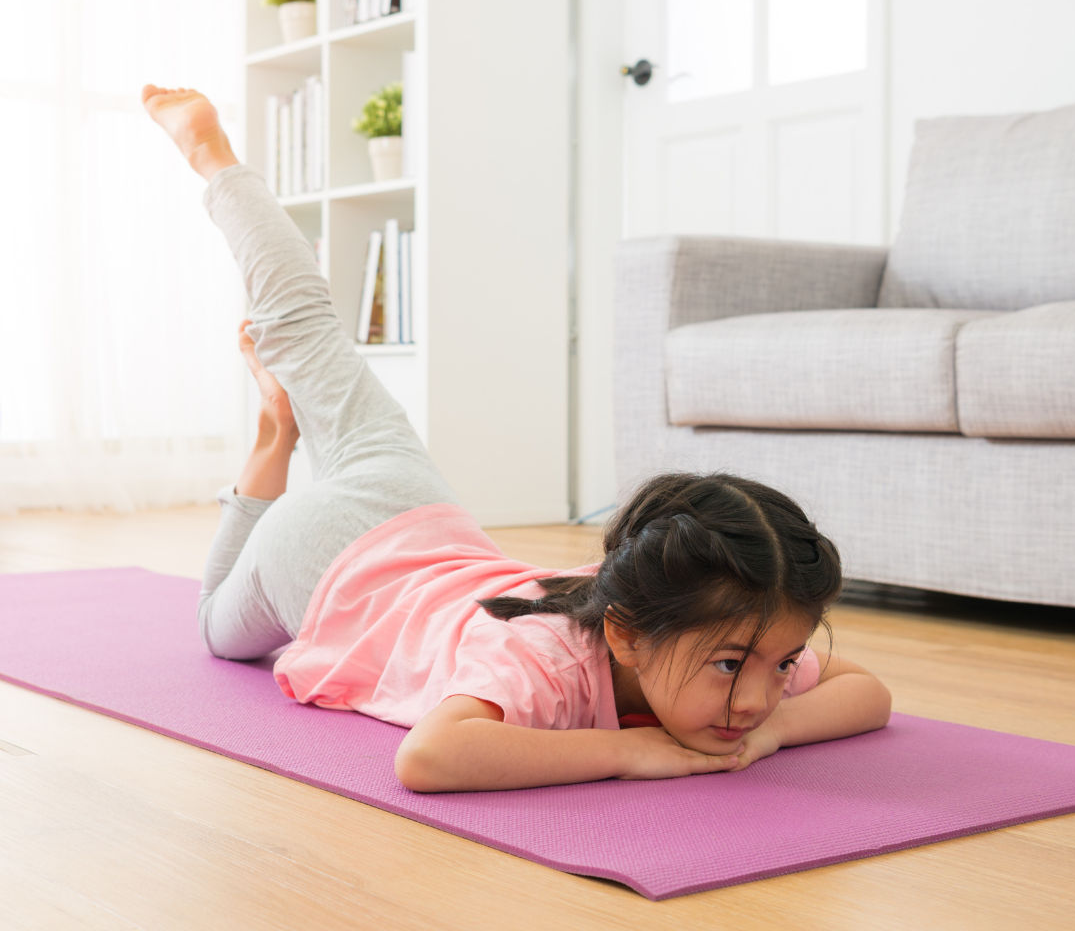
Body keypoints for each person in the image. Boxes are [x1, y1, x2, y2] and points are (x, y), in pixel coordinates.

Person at [142, 83, 891, 793]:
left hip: (413, 504)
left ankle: (222, 182)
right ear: (626, 638)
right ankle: (275, 436)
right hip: (321, 557)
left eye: (785, 662)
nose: (763, 696)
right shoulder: (548, 658)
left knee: (305, 328)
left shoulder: (716, 621)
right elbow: (430, 756)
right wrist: (629, 749)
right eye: (733, 668)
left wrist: (776, 734)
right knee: (219, 630)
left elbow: (869, 692)